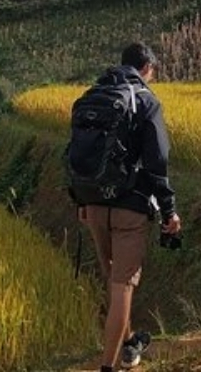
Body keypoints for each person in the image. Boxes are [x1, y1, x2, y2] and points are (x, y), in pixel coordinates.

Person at [77, 42, 181, 372]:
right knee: (122, 284)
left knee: (113, 279)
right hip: (130, 208)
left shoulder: (92, 96)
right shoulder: (145, 100)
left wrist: (82, 199)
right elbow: (157, 161)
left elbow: (78, 153)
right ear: (147, 68)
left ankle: (131, 342)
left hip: (93, 203)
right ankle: (108, 366)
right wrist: (169, 210)